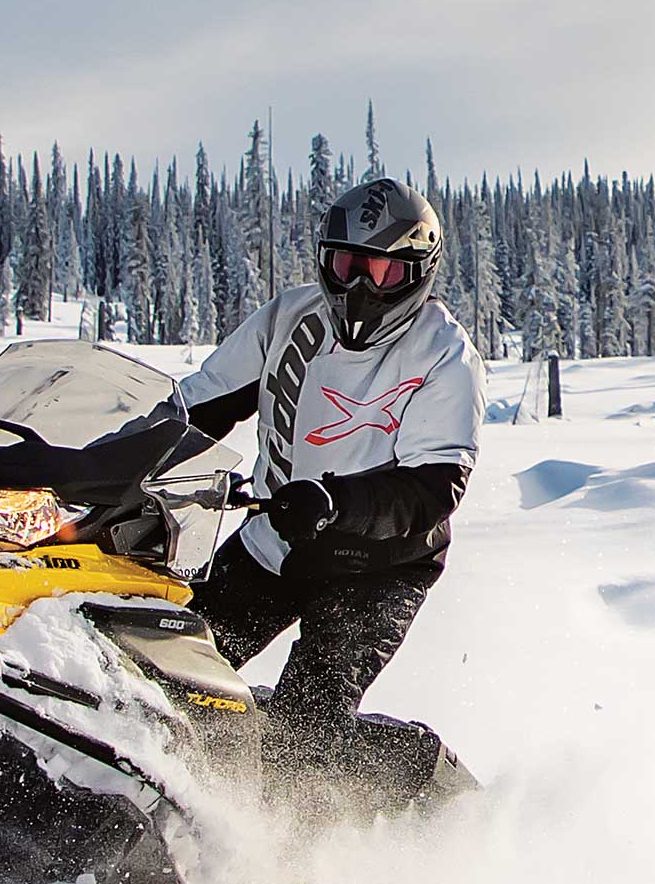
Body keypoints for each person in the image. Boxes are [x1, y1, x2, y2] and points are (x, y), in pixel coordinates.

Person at [171, 176, 479, 794]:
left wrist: (337, 501)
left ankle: (418, 786)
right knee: (169, 673)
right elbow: (194, 409)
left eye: (383, 272)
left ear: (418, 273)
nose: (361, 286)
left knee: (305, 735)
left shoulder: (442, 353)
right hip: (273, 540)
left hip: (379, 566)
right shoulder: (287, 319)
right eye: (347, 264)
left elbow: (434, 486)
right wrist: (102, 452)